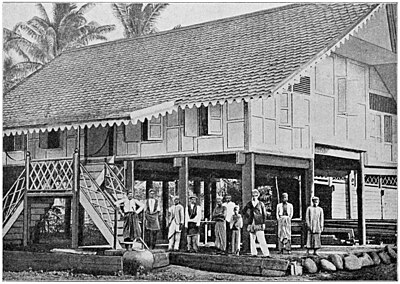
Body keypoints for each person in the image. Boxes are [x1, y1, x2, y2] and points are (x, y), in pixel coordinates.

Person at [242, 189, 270, 257]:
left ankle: (266, 253)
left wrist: (263, 223)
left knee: (261, 238)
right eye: (253, 195)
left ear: (258, 196)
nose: (254, 197)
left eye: (256, 195)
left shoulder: (261, 204)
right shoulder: (249, 203)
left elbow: (264, 214)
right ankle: (253, 253)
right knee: (252, 238)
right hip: (251, 222)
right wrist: (247, 217)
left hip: (259, 222)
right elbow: (243, 211)